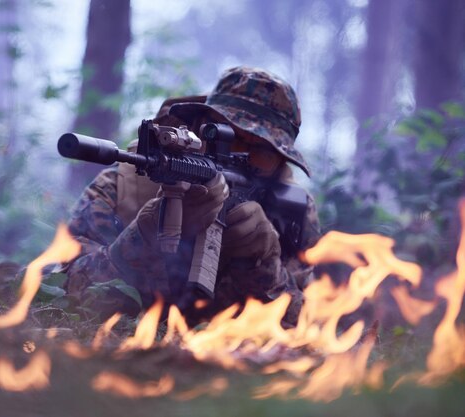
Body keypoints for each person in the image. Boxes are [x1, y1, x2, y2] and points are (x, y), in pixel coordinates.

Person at [61, 67, 320, 327]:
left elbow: (311, 326)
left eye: (261, 150)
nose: (238, 155)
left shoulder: (292, 212)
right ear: (197, 126)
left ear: (279, 162)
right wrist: (143, 236)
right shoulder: (123, 186)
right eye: (224, 135)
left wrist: (265, 267)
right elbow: (63, 295)